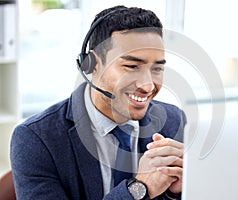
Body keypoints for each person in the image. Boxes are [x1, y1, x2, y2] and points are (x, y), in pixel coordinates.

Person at [10, 5, 186, 200]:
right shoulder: (36, 139)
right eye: (132, 66)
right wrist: (139, 188)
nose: (147, 85)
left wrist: (178, 192)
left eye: (157, 69)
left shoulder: (174, 120)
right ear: (92, 64)